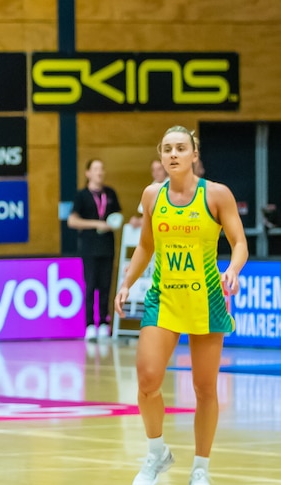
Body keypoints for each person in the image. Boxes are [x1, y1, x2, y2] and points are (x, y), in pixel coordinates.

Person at [115, 125, 248, 485]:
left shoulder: (216, 195)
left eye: (180, 148)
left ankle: (201, 468)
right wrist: (127, 282)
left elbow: (239, 243)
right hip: (164, 298)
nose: (173, 154)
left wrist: (233, 270)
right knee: (146, 378)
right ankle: (156, 453)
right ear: (161, 155)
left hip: (205, 300)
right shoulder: (151, 196)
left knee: (205, 389)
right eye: (167, 149)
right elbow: (146, 245)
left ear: (194, 155)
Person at [68, 159, 122, 340]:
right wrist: (96, 224)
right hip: (90, 248)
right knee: (91, 286)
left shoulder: (110, 193)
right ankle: (90, 324)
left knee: (106, 286)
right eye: (96, 169)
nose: (100, 172)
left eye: (102, 168)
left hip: (107, 247)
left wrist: (113, 222)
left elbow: (118, 215)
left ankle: (105, 323)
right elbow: (72, 221)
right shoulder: (81, 196)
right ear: (88, 173)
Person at [129, 160, 168, 228]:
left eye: (159, 169)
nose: (156, 173)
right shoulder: (150, 188)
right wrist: (137, 220)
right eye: (153, 170)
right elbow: (143, 213)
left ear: (165, 170)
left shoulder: (172, 186)